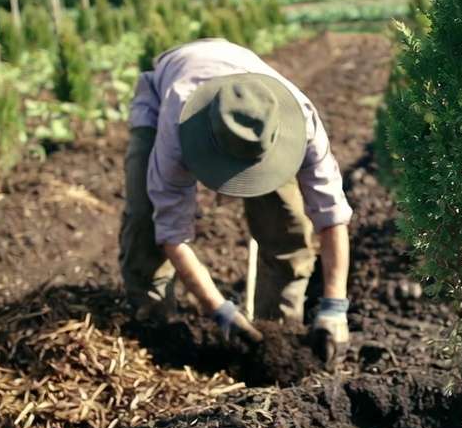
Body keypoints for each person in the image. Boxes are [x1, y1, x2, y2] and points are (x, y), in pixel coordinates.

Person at [119, 37, 351, 364]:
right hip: (167, 91)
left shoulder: (301, 121)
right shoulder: (177, 124)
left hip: (247, 90)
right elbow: (172, 233)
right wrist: (219, 309)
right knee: (145, 218)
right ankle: (154, 328)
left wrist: (334, 307)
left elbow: (332, 216)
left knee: (286, 223)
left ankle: (279, 329)